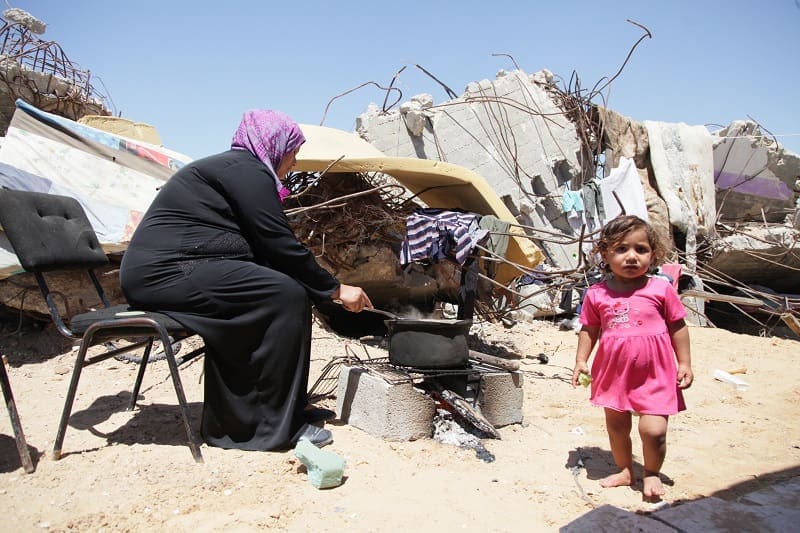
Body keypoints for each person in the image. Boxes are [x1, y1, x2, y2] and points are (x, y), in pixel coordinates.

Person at [120, 109, 372, 451]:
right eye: (293, 152)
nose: (294, 163)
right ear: (274, 146)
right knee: (283, 295)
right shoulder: (245, 170)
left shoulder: (238, 171)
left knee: (287, 291)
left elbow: (264, 247)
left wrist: (321, 292)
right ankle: (267, 428)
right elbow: (277, 241)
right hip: (165, 272)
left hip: (182, 267)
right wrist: (336, 289)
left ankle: (282, 408)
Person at [571, 215, 693, 500]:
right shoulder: (596, 294)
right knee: (617, 426)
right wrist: (580, 360)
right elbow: (589, 329)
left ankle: (651, 471)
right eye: (621, 249)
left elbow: (678, 325)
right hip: (613, 373)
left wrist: (685, 362)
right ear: (605, 253)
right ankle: (625, 470)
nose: (632, 257)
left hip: (655, 374)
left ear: (653, 254)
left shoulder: (660, 289)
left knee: (654, 431)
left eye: (641, 249)